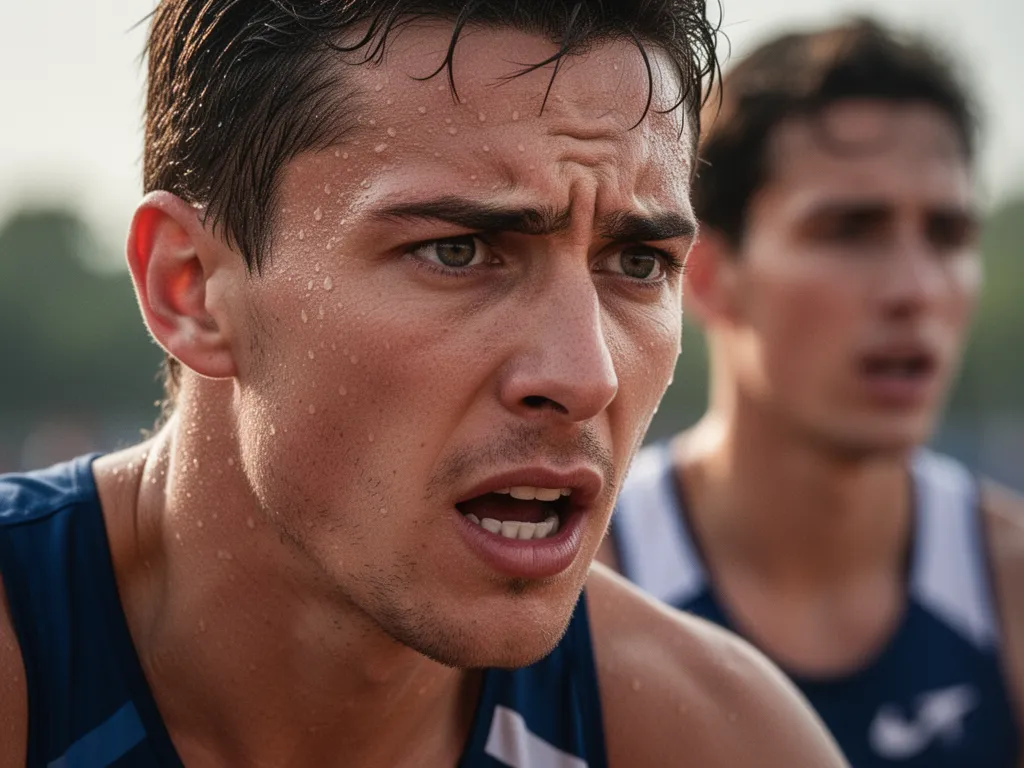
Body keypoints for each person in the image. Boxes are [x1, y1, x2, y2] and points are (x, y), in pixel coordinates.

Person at [0, 2, 849, 766]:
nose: (583, 376)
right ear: (188, 287)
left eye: (637, 262)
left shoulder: (717, 740)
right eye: (459, 251)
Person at [604, 17, 1024, 768]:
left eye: (949, 234)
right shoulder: (583, 590)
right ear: (707, 275)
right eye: (850, 229)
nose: (916, 288)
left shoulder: (1011, 587)